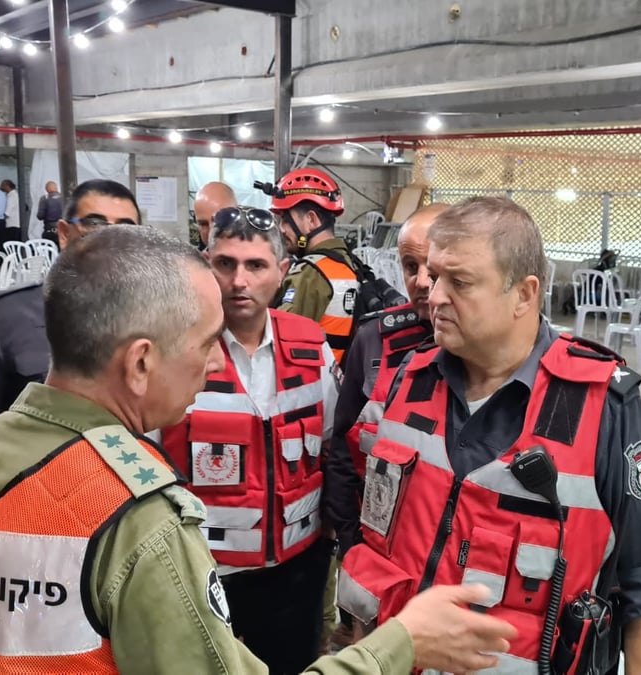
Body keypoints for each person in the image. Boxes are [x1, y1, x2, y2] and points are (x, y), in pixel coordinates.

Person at [0, 225, 517, 675]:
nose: (214, 365)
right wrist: (405, 641)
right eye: (205, 344)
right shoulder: (134, 517)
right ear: (141, 362)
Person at [338, 197, 641, 674]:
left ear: (524, 294)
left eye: (458, 282)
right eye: (433, 275)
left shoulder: (600, 407)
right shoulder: (408, 380)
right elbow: (376, 538)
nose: (432, 294)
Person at [159, 206, 338, 674]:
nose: (240, 281)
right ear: (206, 264)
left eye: (255, 266)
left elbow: (334, 444)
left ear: (281, 272)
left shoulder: (311, 343)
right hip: (201, 571)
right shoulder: (173, 349)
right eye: (225, 264)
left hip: (294, 569)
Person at [0, 179, 142, 412]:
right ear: (64, 234)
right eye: (95, 224)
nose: (110, 238)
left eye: (126, 229)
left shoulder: (155, 314)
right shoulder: (8, 315)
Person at [325, 203, 445, 554]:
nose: (422, 282)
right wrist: (351, 545)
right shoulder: (373, 339)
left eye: (434, 269)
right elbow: (343, 454)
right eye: (411, 267)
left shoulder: (494, 355)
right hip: (376, 549)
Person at [269, 168, 360, 363]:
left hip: (311, 385)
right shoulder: (351, 264)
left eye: (285, 219)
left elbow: (278, 343)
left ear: (311, 220)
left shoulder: (310, 273)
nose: (281, 229)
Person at [193, 181, 237, 250]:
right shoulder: (196, 260)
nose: (211, 231)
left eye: (218, 221)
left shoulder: (256, 256)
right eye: (203, 224)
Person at [1, 179, 22, 245]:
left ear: (7, 186)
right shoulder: (15, 194)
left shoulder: (12, 196)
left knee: (11, 243)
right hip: (16, 223)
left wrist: (1, 219)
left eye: (2, 185)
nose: (1, 187)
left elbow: (7, 212)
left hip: (12, 224)